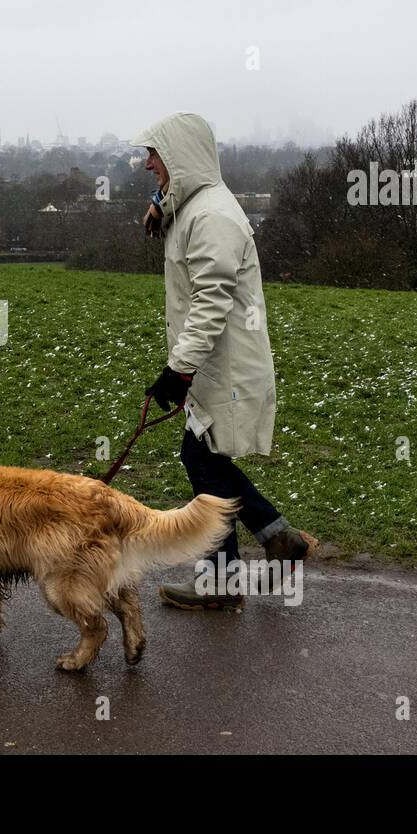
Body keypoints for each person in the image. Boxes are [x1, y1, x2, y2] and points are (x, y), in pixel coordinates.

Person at [132, 112, 317, 610]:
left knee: (203, 458)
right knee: (204, 458)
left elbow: (211, 300)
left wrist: (179, 369)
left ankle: (231, 574)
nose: (148, 163)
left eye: (155, 154)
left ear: (179, 156)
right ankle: (270, 545)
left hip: (223, 368)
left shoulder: (211, 216)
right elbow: (183, 204)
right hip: (213, 366)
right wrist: (159, 206)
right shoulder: (196, 205)